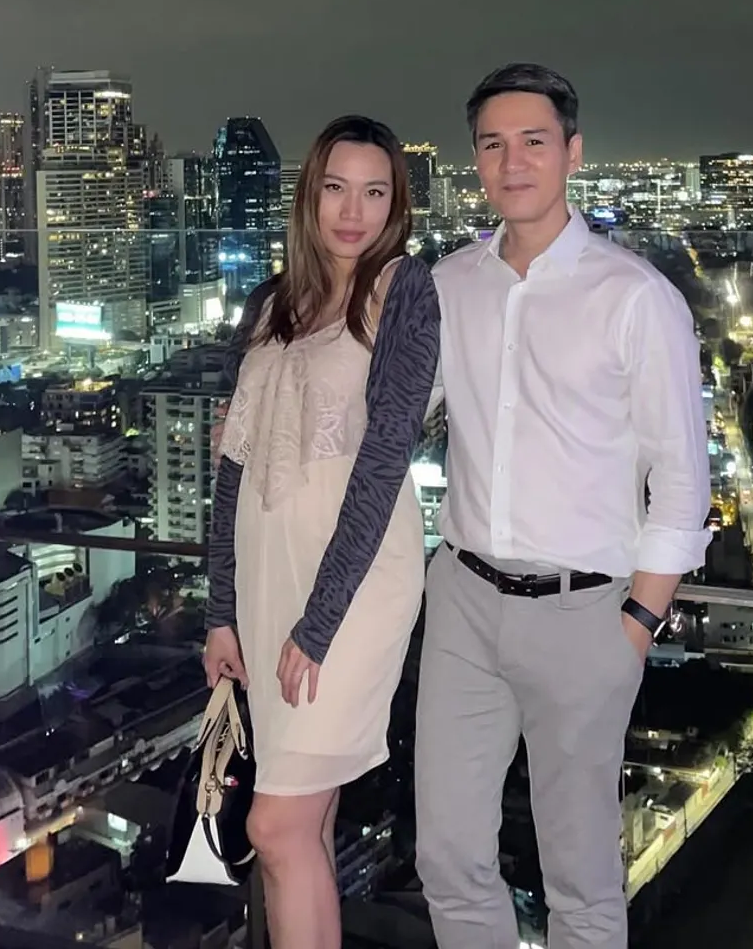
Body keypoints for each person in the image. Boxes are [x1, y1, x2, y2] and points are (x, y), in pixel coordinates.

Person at [415, 63, 712, 949]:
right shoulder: (449, 284)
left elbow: (682, 476)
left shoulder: (635, 296)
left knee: (580, 877)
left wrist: (638, 623)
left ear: (573, 153)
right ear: (475, 161)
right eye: (493, 145)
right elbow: (388, 412)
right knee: (447, 855)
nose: (513, 162)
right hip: (463, 600)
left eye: (534, 141)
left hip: (586, 612)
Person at [204, 115, 440, 949]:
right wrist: (221, 612)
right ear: (309, 196)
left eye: (375, 193)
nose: (353, 211)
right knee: (306, 816)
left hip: (355, 582)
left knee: (274, 826)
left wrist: (320, 620)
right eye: (336, 188)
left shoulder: (403, 290)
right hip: (269, 576)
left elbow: (383, 460)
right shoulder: (272, 302)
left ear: (396, 205)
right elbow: (233, 468)